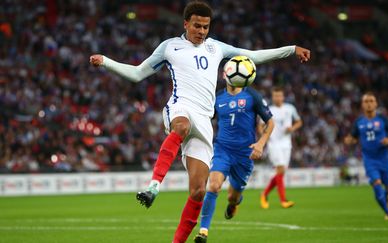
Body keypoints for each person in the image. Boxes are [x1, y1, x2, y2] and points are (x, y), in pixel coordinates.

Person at [90, 1, 310, 242]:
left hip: (204, 121)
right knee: (181, 126)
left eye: (205, 27)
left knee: (198, 191)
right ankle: (154, 185)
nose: (202, 31)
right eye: (197, 26)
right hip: (180, 107)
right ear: (186, 24)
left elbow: (253, 56)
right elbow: (137, 73)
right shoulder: (169, 47)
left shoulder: (216, 48)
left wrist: (291, 49)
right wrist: (106, 61)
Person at [193, 81, 274, 243]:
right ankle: (203, 231)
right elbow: (205, 118)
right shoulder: (218, 97)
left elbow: (271, 122)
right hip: (222, 149)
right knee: (214, 185)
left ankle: (235, 202)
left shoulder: (252, 95)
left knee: (232, 197)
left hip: (245, 154)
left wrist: (261, 143)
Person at [344, 92, 388, 220]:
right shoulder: (358, 122)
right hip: (369, 159)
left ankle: (386, 195)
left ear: (376, 104)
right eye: (366, 101)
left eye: (371, 101)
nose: (369, 104)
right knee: (376, 183)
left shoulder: (383, 119)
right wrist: (349, 140)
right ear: (362, 105)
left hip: (384, 158)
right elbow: (352, 137)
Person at [260, 87, 302, 209]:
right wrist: (264, 137)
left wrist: (292, 128)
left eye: (280, 96)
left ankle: (264, 194)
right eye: (275, 96)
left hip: (286, 143)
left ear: (283, 97)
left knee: (281, 172)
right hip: (274, 143)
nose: (278, 98)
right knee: (280, 169)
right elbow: (261, 125)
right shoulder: (269, 109)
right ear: (272, 97)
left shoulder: (290, 108)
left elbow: (299, 121)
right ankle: (283, 200)